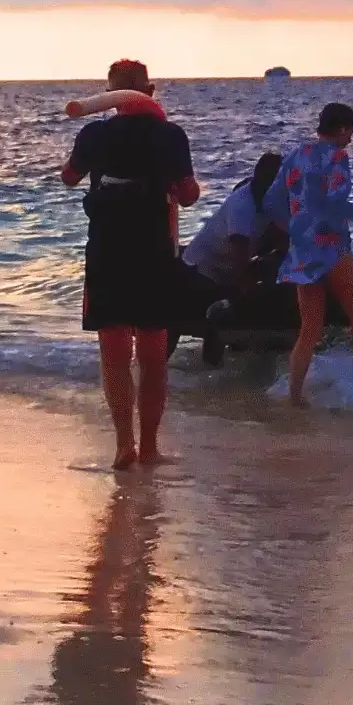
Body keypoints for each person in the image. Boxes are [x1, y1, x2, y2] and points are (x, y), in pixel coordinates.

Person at [62, 60, 202, 469]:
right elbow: (189, 195)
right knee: (154, 355)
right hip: (155, 251)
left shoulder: (94, 133)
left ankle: (124, 443)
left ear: (108, 96)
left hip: (107, 250)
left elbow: (70, 177)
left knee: (114, 354)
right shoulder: (170, 135)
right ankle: (151, 447)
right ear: (151, 91)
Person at [279, 101, 353, 405]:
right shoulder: (337, 157)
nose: (351, 138)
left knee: (309, 328)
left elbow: (273, 200)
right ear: (344, 128)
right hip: (332, 249)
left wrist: (296, 229)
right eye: (352, 131)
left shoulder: (296, 154)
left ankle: (295, 396)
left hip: (302, 250)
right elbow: (339, 206)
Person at [183, 150, 287, 297]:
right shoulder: (241, 206)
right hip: (202, 273)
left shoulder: (274, 201)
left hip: (230, 267)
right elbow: (239, 259)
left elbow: (284, 237)